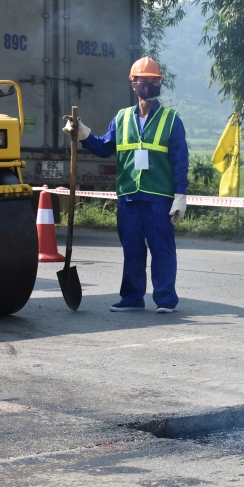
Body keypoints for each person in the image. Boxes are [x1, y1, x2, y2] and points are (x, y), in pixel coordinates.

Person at [63, 56, 189, 313]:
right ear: (133, 84)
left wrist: (180, 196)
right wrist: (83, 133)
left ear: (160, 85)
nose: (149, 86)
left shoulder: (171, 120)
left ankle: (165, 299)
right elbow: (103, 148)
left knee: (162, 250)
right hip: (129, 196)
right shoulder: (121, 119)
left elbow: (180, 161)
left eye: (154, 81)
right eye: (145, 81)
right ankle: (132, 298)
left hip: (159, 197)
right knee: (132, 249)